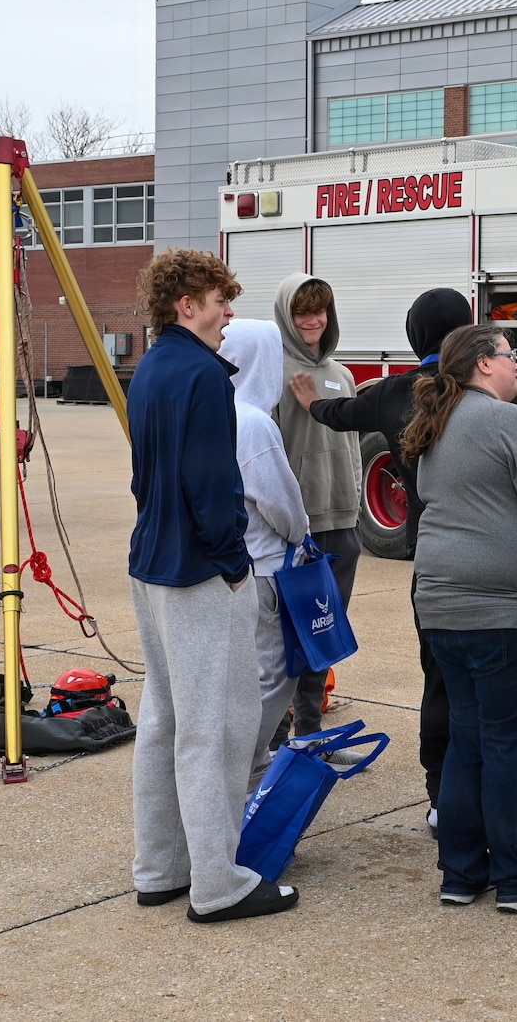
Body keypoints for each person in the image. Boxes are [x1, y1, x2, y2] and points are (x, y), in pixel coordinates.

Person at [291, 288, 517, 835]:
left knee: (445, 693)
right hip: (514, 579)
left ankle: (444, 800)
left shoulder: (396, 395)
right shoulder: (495, 412)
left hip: (438, 574)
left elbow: (338, 414)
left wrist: (309, 402)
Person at [126, 249, 296, 924]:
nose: (228, 312)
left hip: (150, 563)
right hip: (201, 570)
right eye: (217, 299)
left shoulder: (150, 368)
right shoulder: (204, 375)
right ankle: (218, 882)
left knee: (164, 719)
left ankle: (160, 866)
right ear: (183, 305)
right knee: (217, 728)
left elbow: (145, 476)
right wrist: (231, 562)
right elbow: (210, 484)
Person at [405, 324, 517, 914]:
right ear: (485, 365)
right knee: (507, 744)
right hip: (508, 611)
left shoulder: (438, 425)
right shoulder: (512, 423)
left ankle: (461, 873)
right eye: (512, 358)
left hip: (441, 606)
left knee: (468, 739)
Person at [218, 318, 310, 789]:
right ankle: (247, 763)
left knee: (238, 675)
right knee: (273, 677)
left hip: (225, 569)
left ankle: (243, 760)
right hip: (265, 568)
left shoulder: (212, 408)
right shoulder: (253, 423)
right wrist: (302, 532)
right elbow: (282, 505)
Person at [271, 274, 361, 746]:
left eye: (319, 310)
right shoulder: (272, 370)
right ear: (287, 315)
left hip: (344, 520)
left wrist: (359, 502)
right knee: (290, 637)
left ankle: (309, 732)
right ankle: (275, 739)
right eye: (302, 312)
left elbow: (352, 444)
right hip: (300, 526)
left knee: (325, 634)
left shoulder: (341, 373)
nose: (312, 320)